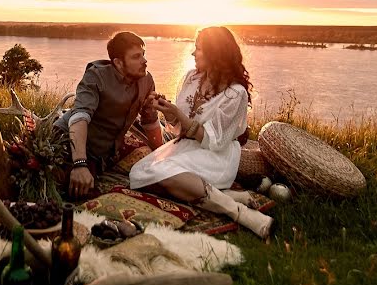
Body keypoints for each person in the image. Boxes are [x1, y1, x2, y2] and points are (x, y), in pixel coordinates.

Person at [128, 26, 274, 239]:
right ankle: (225, 195)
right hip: (186, 147)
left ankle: (239, 213)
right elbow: (179, 127)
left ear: (216, 53)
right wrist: (168, 111)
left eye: (198, 49)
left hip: (217, 156)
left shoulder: (235, 94)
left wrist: (179, 114)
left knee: (163, 172)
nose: (192, 53)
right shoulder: (191, 78)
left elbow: (213, 141)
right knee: (139, 174)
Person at [54, 32, 165, 198]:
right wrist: (80, 164)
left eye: (143, 54)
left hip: (104, 153)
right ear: (118, 63)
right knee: (78, 191)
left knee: (157, 181)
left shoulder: (146, 80)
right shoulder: (96, 76)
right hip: (69, 143)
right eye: (136, 57)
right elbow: (79, 118)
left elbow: (150, 121)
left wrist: (163, 157)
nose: (144, 61)